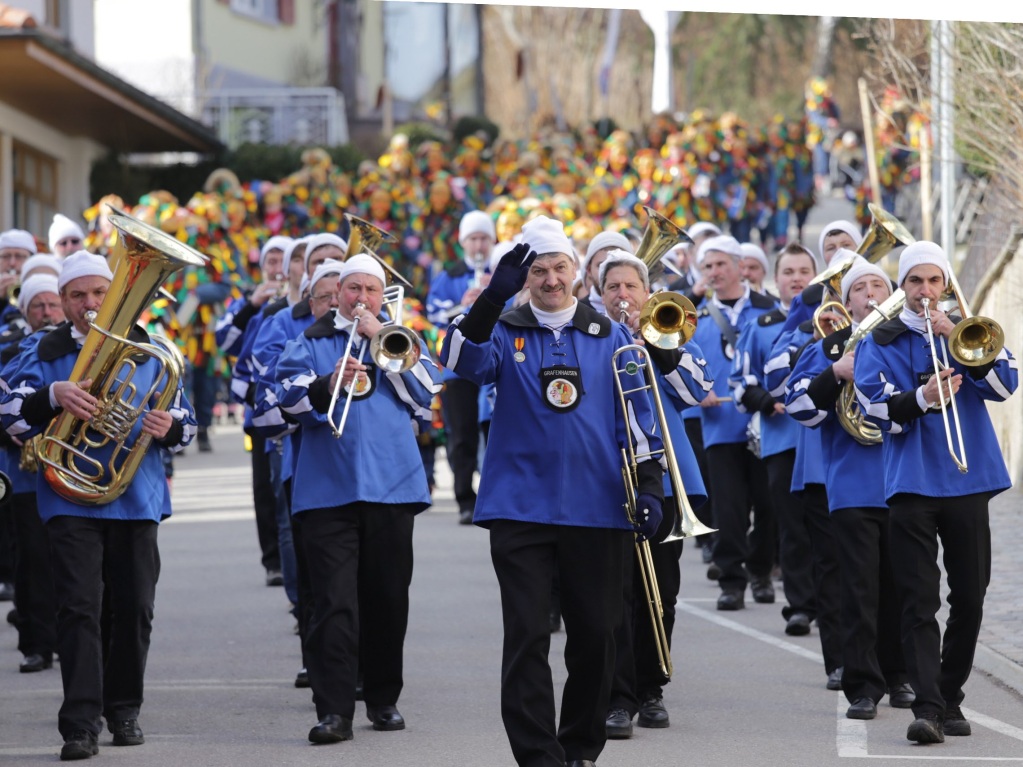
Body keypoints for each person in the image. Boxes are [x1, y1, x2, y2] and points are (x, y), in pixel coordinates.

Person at [440, 216, 665, 767]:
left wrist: (652, 485)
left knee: (595, 637)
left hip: (598, 508)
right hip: (520, 508)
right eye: (537, 271)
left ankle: (581, 748)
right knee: (526, 637)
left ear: (576, 273)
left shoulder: (611, 336)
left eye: (559, 267)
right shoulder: (503, 328)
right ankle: (539, 756)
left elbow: (639, 419)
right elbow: (459, 363)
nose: (549, 279)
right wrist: (491, 300)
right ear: (524, 279)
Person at [0, 250, 196, 761]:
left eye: (98, 294)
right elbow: (8, 416)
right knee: (79, 609)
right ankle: (80, 724)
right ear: (62, 301)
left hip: (136, 496)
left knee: (134, 609)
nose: (90, 304)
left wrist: (168, 427)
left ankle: (124, 708)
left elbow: (188, 425)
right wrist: (52, 396)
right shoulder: (37, 351)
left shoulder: (153, 345)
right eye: (77, 295)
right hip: (68, 498)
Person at [853, 241, 1017, 744]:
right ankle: (926, 708)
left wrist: (959, 344)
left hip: (968, 481)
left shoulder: (971, 331)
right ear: (902, 287)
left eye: (934, 281)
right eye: (915, 282)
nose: (925, 292)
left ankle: (949, 696)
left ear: (946, 285)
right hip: (910, 484)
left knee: (970, 594)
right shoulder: (879, 339)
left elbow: (1006, 387)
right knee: (918, 599)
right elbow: (870, 408)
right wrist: (922, 397)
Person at [275, 254, 441, 745]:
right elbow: (288, 402)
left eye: (371, 289)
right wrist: (329, 383)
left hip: (393, 487)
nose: (361, 297)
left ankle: (384, 698)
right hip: (327, 492)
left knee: (387, 598)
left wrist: (381, 343)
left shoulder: (400, 339)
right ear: (338, 294)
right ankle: (334, 710)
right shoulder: (308, 342)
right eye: (353, 289)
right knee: (333, 602)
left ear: (382, 295)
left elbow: (426, 396)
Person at [785, 256, 914, 720]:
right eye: (860, 289)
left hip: (904, 481)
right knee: (858, 589)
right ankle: (862, 686)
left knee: (902, 586)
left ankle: (901, 676)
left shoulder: (903, 341)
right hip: (851, 485)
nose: (870, 295)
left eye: (878, 286)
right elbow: (798, 407)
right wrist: (835, 373)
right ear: (847, 299)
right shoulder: (828, 346)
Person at [597, 249, 711, 739]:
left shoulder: (674, 334)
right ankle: (617, 696)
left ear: (648, 295)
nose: (623, 296)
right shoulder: (590, 338)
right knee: (613, 592)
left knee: (661, 590)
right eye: (613, 288)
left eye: (631, 287)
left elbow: (695, 392)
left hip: (665, 480)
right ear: (599, 296)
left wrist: (658, 345)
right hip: (606, 480)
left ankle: (652, 687)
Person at [730, 243, 817, 634]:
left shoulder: (832, 321)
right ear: (774, 279)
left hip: (828, 444)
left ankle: (833, 602)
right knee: (793, 529)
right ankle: (800, 605)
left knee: (831, 528)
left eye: (804, 271)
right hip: (783, 444)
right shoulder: (759, 327)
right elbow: (739, 385)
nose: (796, 278)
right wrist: (767, 401)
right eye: (788, 272)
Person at [689, 235, 778, 610]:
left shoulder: (768, 310)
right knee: (728, 510)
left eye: (720, 264)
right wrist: (699, 389)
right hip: (719, 426)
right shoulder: (694, 315)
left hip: (765, 426)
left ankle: (760, 571)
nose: (713, 272)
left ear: (740, 267)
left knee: (769, 506)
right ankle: (732, 581)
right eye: (707, 266)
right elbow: (683, 360)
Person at [0, 273, 64, 674]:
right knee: (32, 560)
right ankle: (36, 643)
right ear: (26, 312)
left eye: (51, 304)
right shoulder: (11, 350)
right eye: (36, 306)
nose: (45, 312)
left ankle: (71, 638)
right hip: (25, 474)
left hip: (75, 471)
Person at [425, 210, 496, 524]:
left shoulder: (499, 271)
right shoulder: (449, 276)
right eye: (473, 239)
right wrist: (463, 305)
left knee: (495, 432)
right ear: (463, 242)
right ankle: (465, 499)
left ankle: (496, 494)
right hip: (456, 368)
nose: (479, 245)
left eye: (484, 238)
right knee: (462, 433)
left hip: (495, 362)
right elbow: (433, 315)